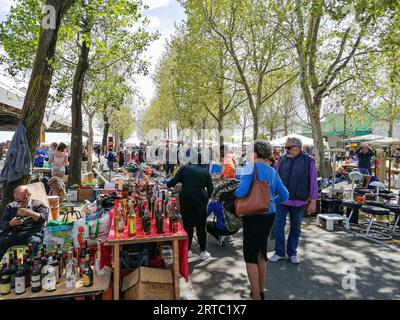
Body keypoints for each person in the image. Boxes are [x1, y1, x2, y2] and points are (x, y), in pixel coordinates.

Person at [235, 140, 288, 300]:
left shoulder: (250, 167)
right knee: (261, 253)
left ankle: (256, 296)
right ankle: (261, 290)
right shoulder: (272, 170)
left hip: (253, 215)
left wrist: (234, 190)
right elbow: (285, 195)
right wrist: (270, 203)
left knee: (250, 256)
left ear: (256, 153)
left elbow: (241, 193)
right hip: (268, 214)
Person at [270, 137, 318, 265]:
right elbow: (275, 177)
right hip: (281, 200)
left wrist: (313, 200)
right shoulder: (282, 159)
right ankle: (279, 252)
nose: (286, 150)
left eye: (288, 148)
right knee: (278, 227)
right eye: (285, 148)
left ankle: (292, 253)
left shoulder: (309, 161)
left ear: (297, 148)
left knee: (296, 229)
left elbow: (313, 182)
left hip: (299, 201)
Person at [167, 151, 214, 261]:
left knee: (187, 224)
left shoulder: (184, 169)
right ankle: (203, 251)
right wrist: (208, 199)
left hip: (186, 197)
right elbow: (211, 189)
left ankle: (187, 250)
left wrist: (167, 184)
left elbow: (174, 181)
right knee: (201, 225)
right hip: (201, 198)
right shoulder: (205, 171)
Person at [0, 186, 49, 260]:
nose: (21, 203)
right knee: (1, 241)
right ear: (14, 197)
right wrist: (11, 223)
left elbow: (43, 218)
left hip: (32, 233)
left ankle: (32, 265)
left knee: (35, 242)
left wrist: (30, 213)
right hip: (13, 234)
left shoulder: (38, 204)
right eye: (18, 200)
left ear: (29, 196)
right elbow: (2, 224)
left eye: (24, 200)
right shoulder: (10, 206)